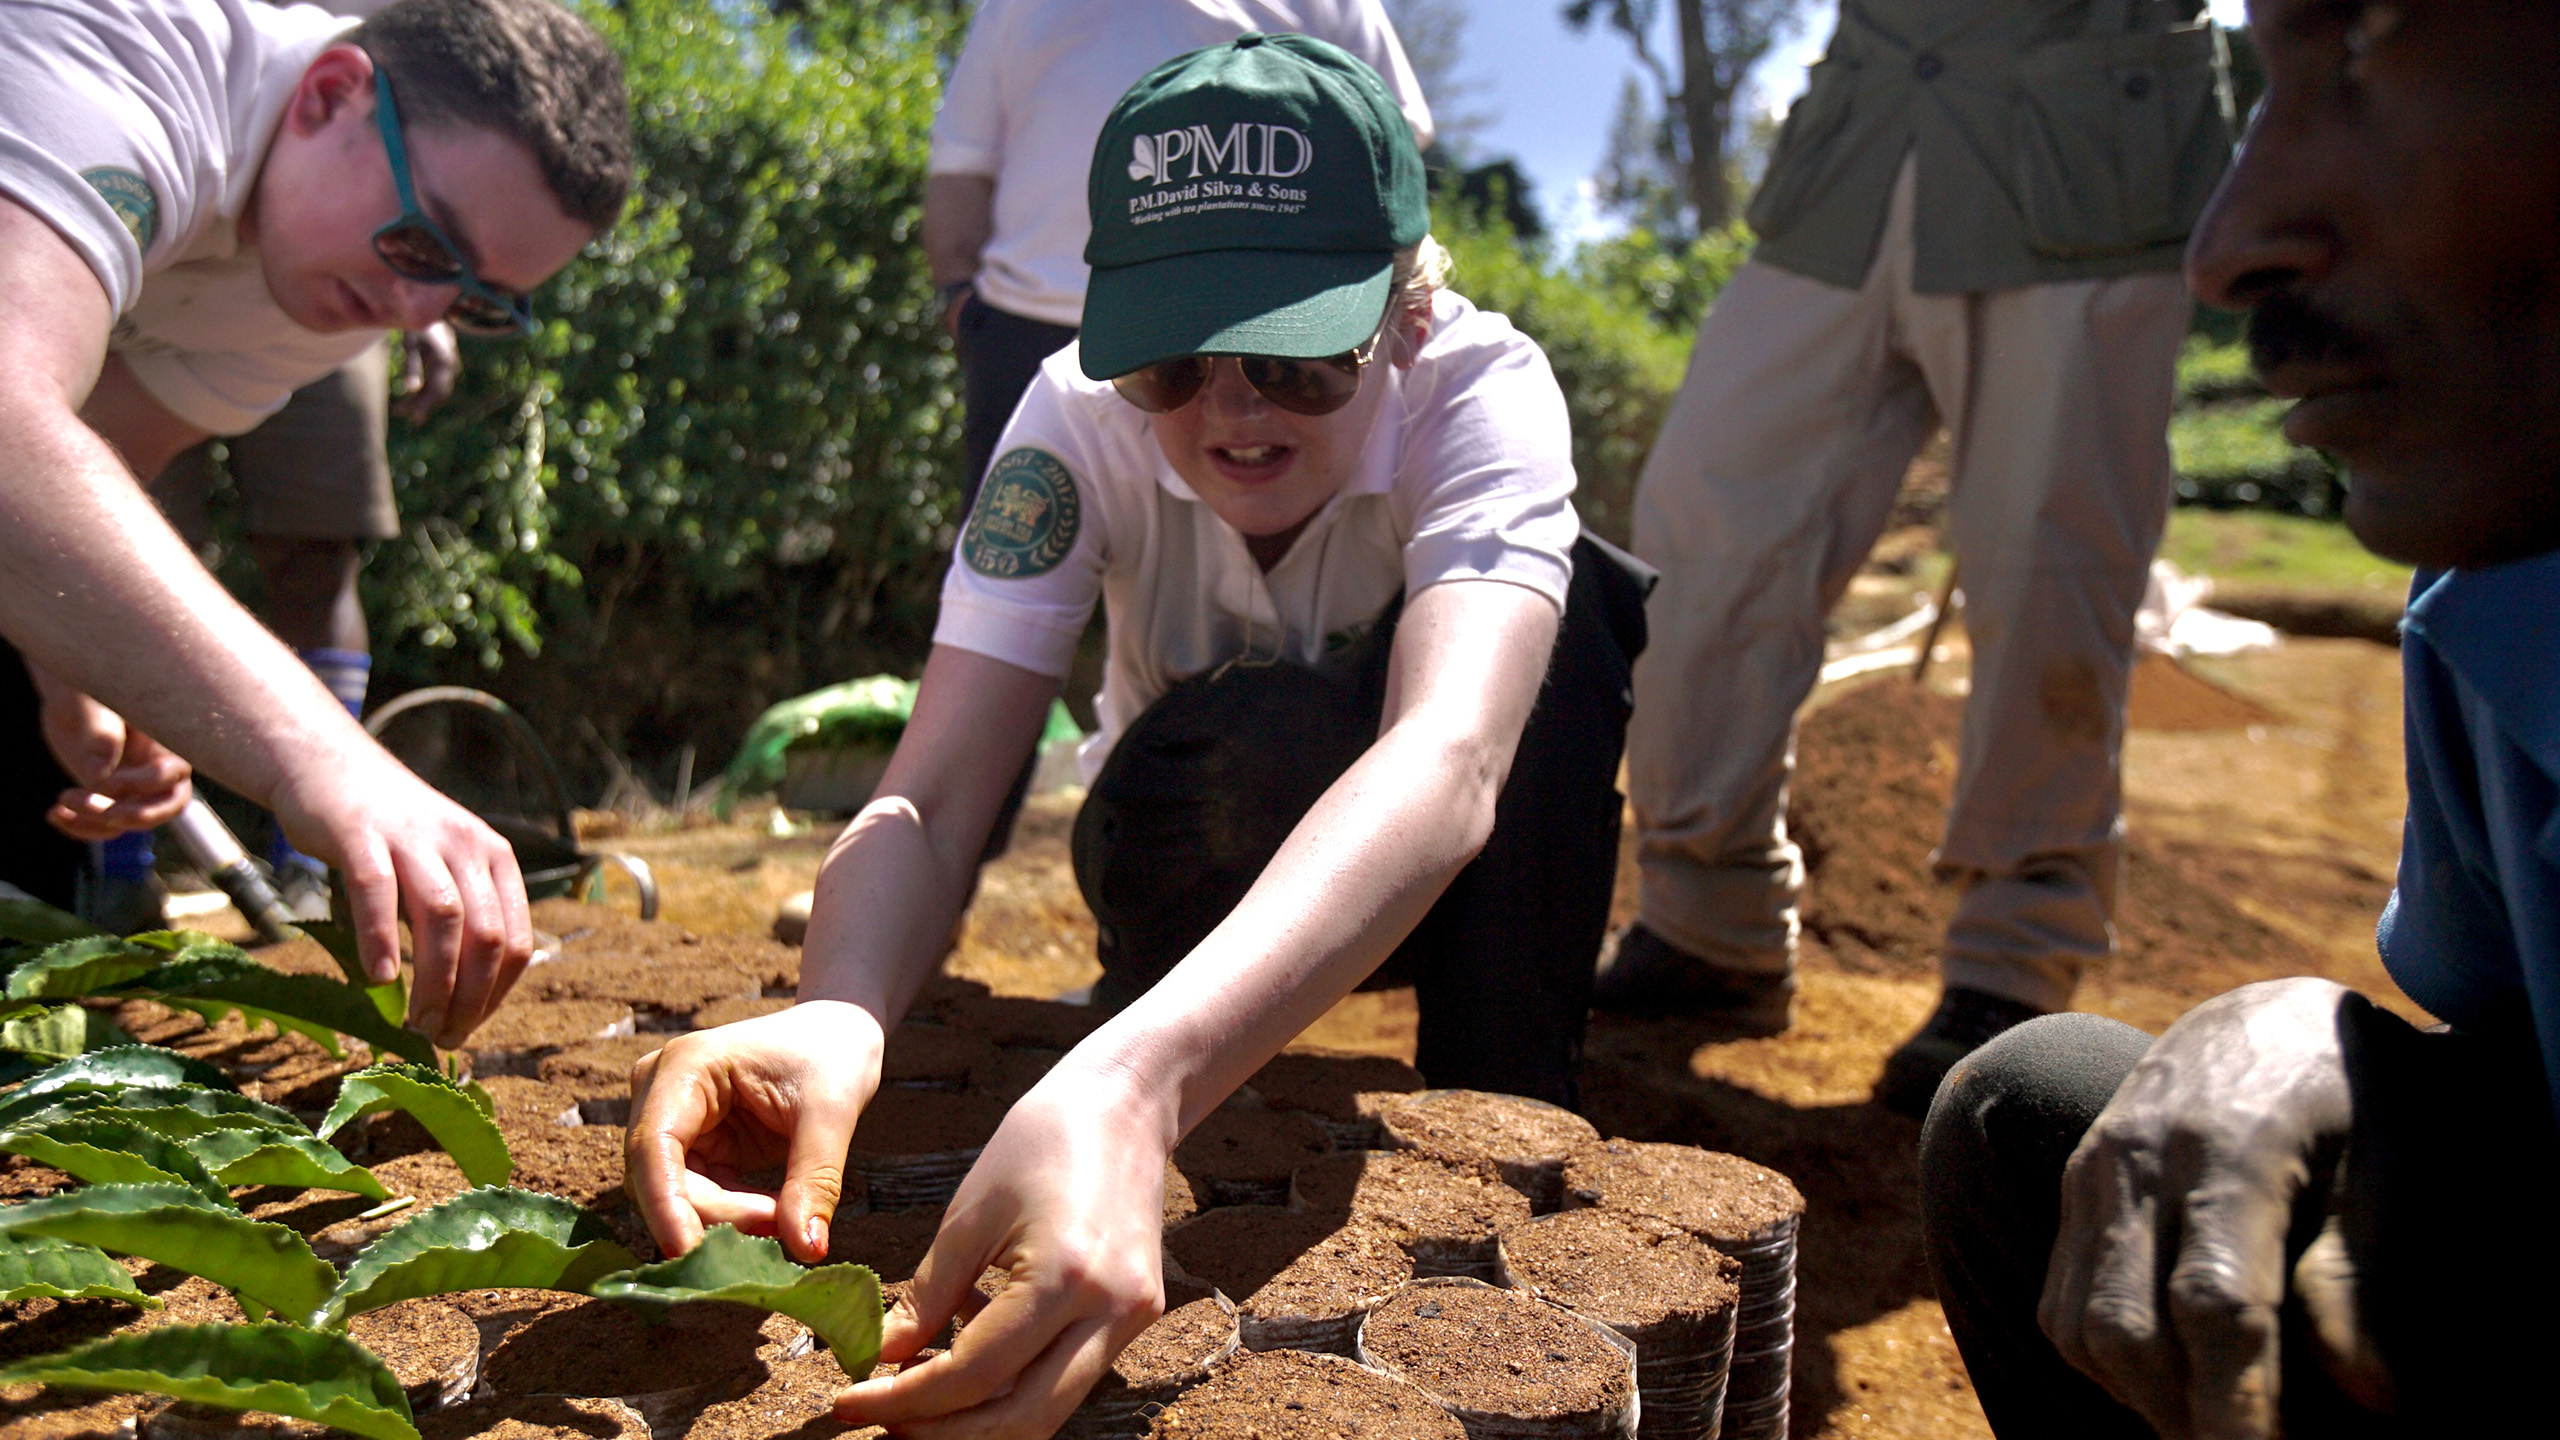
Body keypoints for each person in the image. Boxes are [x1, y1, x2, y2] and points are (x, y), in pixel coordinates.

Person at [630, 34, 1647, 1439]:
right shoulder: (1073, 421)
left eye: (1294, 357)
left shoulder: (1480, 392)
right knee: (1255, 750)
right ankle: (1176, 1074)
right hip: (1195, 845)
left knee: (1573, 614)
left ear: (1406, 313)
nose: (1230, 413)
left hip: (1450, 882)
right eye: (1173, 360)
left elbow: (1451, 761)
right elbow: (932, 791)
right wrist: (841, 1006)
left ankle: (1501, 1109)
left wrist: (1128, 1080)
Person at [1920, 0, 2560, 1432]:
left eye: (2382, 35)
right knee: (2037, 1115)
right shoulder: (2492, 606)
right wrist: (2328, 1042)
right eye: (2270, 77)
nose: (2226, 248)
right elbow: (2529, 1063)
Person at [1594, 0, 2235, 1115]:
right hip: (1863, 139)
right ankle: (1710, 923)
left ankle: (2010, 967)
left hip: (2081, 134)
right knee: (1701, 535)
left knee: (2050, 572)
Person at [0, 0, 629, 1043]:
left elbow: (88, 460)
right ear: (330, 95)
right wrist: (324, 755)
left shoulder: (342, 278)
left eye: (476, 301)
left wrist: (84, 677)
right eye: (429, 243)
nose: (418, 315)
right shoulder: (120, 64)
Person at [925, 0, 1431, 503]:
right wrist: (967, 308)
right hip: (1023, 326)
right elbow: (960, 160)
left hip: (1255, 325)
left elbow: (1386, 139)